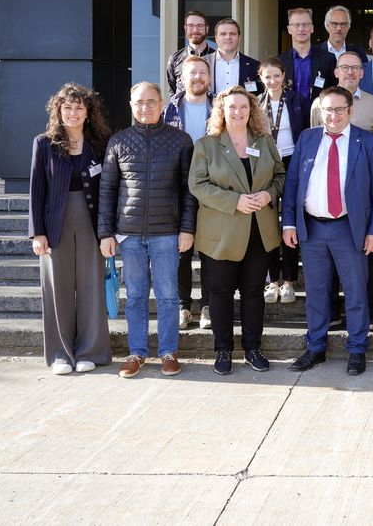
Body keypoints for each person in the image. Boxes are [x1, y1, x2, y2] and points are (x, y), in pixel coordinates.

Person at [283, 86, 373, 376]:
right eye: (328, 109)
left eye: (339, 109)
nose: (333, 115)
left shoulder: (367, 142)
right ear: (320, 111)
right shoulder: (307, 138)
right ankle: (315, 347)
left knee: (355, 292)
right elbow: (292, 183)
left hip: (349, 228)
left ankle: (356, 349)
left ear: (350, 111)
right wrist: (289, 222)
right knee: (316, 293)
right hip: (313, 229)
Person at [99, 82, 196, 379]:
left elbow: (188, 191)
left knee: (168, 295)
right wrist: (105, 233)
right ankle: (137, 353)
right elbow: (108, 189)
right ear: (131, 104)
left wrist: (187, 229)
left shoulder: (181, 141)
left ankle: (169, 352)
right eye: (139, 102)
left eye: (151, 102)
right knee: (137, 296)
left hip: (167, 232)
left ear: (162, 103)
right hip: (128, 235)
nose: (145, 107)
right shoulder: (118, 141)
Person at [189, 87, 285, 375]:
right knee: (220, 293)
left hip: (259, 231)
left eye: (244, 107)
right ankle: (223, 351)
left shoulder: (265, 142)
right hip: (222, 233)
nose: (238, 112)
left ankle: (253, 349)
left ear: (252, 110)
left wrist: (269, 194)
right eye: (232, 107)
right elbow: (198, 185)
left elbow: (280, 175)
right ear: (222, 111)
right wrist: (235, 201)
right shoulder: (206, 145)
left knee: (254, 292)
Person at [29, 83, 112, 375]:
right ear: (59, 111)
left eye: (79, 107)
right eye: (68, 107)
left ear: (88, 112)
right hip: (54, 225)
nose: (73, 113)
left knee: (91, 286)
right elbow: (36, 191)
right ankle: (61, 354)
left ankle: (91, 350)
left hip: (91, 222)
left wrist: (108, 231)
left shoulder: (101, 143)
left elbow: (110, 189)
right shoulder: (43, 143)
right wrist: (37, 232)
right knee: (57, 289)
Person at [163, 55, 216, 330]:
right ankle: (184, 306)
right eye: (191, 73)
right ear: (182, 77)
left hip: (212, 186)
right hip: (178, 187)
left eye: (202, 73)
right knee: (181, 251)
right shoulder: (168, 108)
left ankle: (207, 305)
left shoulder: (220, 105)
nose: (197, 77)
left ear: (209, 77)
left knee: (208, 250)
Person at [256, 57, 309, 305]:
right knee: (267, 223)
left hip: (291, 162)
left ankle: (288, 282)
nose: (272, 81)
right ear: (261, 78)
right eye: (268, 76)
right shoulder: (255, 104)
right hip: (265, 165)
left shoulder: (297, 100)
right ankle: (272, 280)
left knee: (290, 220)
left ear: (284, 76)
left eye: (276, 76)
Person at [205, 18, 259, 94]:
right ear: (216, 38)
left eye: (232, 34)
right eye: (223, 34)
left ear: (239, 37)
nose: (228, 37)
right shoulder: (203, 63)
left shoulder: (254, 66)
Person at [166, 9, 211, 95]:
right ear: (185, 28)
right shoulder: (175, 59)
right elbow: (172, 90)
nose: (195, 30)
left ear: (207, 28)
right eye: (191, 25)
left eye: (200, 26)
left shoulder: (217, 57)